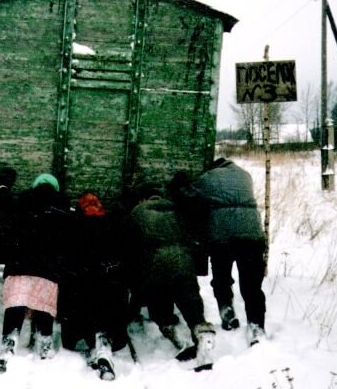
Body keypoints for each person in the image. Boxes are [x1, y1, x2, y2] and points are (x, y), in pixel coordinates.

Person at [128, 181, 216, 372]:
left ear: (143, 198)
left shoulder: (137, 212)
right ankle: (202, 333)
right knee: (191, 302)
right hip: (183, 261)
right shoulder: (179, 211)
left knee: (160, 308)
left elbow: (131, 246)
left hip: (155, 263)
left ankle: (180, 339)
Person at [179, 157, 267, 345]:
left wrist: (180, 182)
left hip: (222, 237)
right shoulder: (246, 175)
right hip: (251, 235)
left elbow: (187, 194)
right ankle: (257, 326)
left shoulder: (209, 177)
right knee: (252, 285)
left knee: (222, 278)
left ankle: (227, 313)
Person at [0, 173, 72, 373]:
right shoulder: (63, 206)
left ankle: (9, 342)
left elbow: (6, 229)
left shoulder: (21, 202)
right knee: (43, 304)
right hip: (48, 269)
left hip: (19, 264)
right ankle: (44, 342)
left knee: (16, 304)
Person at [58, 192, 130, 381]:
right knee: (105, 315)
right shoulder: (112, 225)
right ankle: (102, 348)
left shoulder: (73, 226)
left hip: (80, 292)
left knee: (83, 311)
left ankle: (94, 346)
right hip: (109, 288)